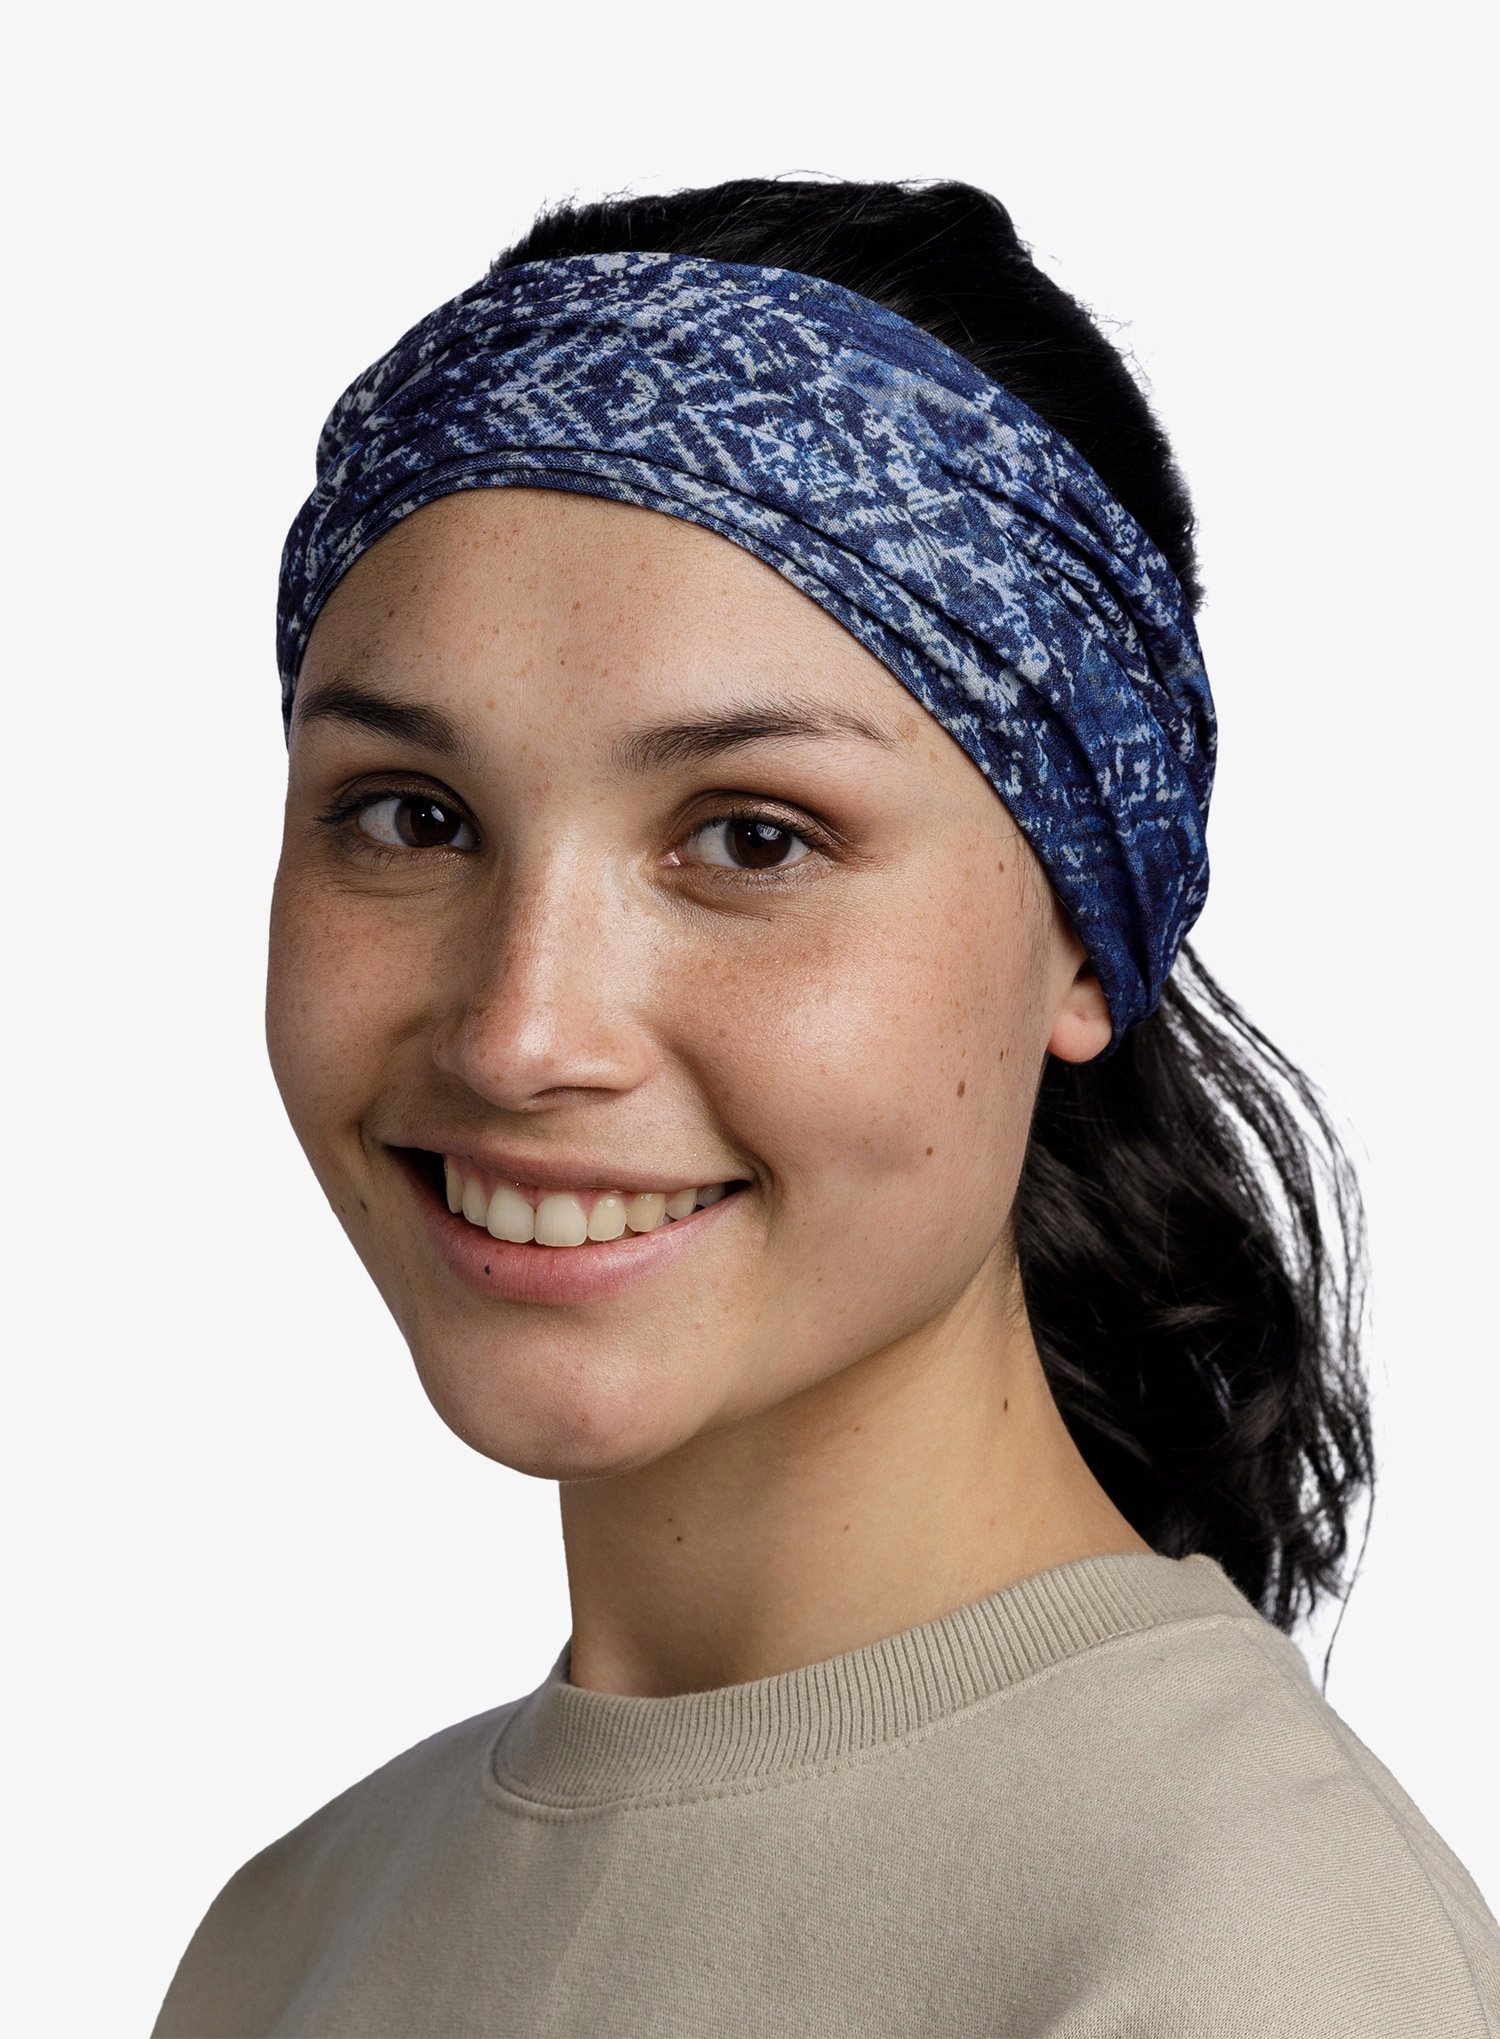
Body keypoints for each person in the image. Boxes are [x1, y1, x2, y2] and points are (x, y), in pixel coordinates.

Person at [151, 179, 1500, 2036]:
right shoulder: (286, 1942)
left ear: (1084, 937)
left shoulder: (1242, 1961)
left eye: (752, 838)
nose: (523, 1031)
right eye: (412, 816)